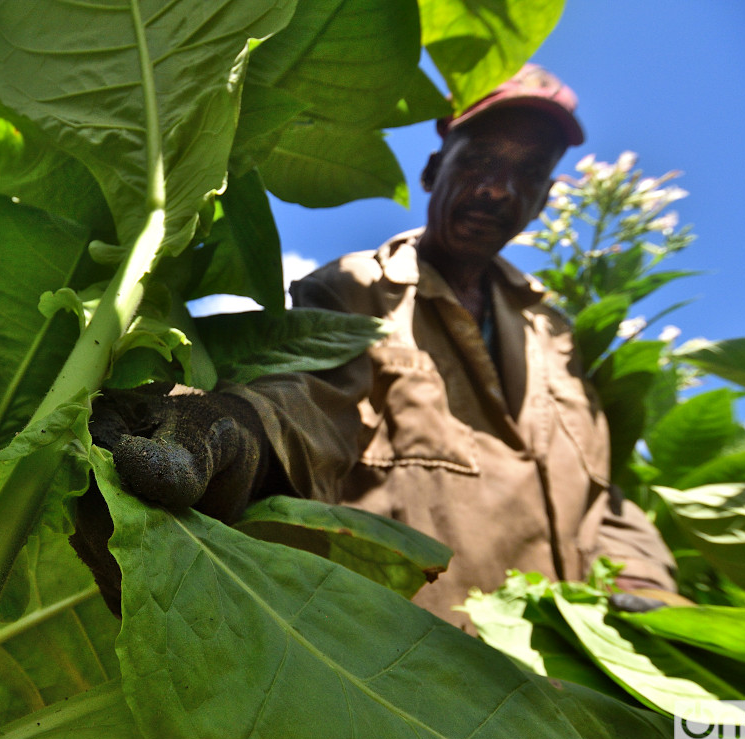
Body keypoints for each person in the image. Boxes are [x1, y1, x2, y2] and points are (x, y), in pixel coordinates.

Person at [83, 65, 678, 629]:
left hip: (571, 687)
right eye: (480, 162)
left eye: (526, 174)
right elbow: (311, 399)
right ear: (432, 169)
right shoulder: (359, 289)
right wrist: (232, 428)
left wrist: (649, 585)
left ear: (545, 199)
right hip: (428, 668)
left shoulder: (556, 337)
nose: (498, 191)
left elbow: (603, 497)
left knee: (711, 735)